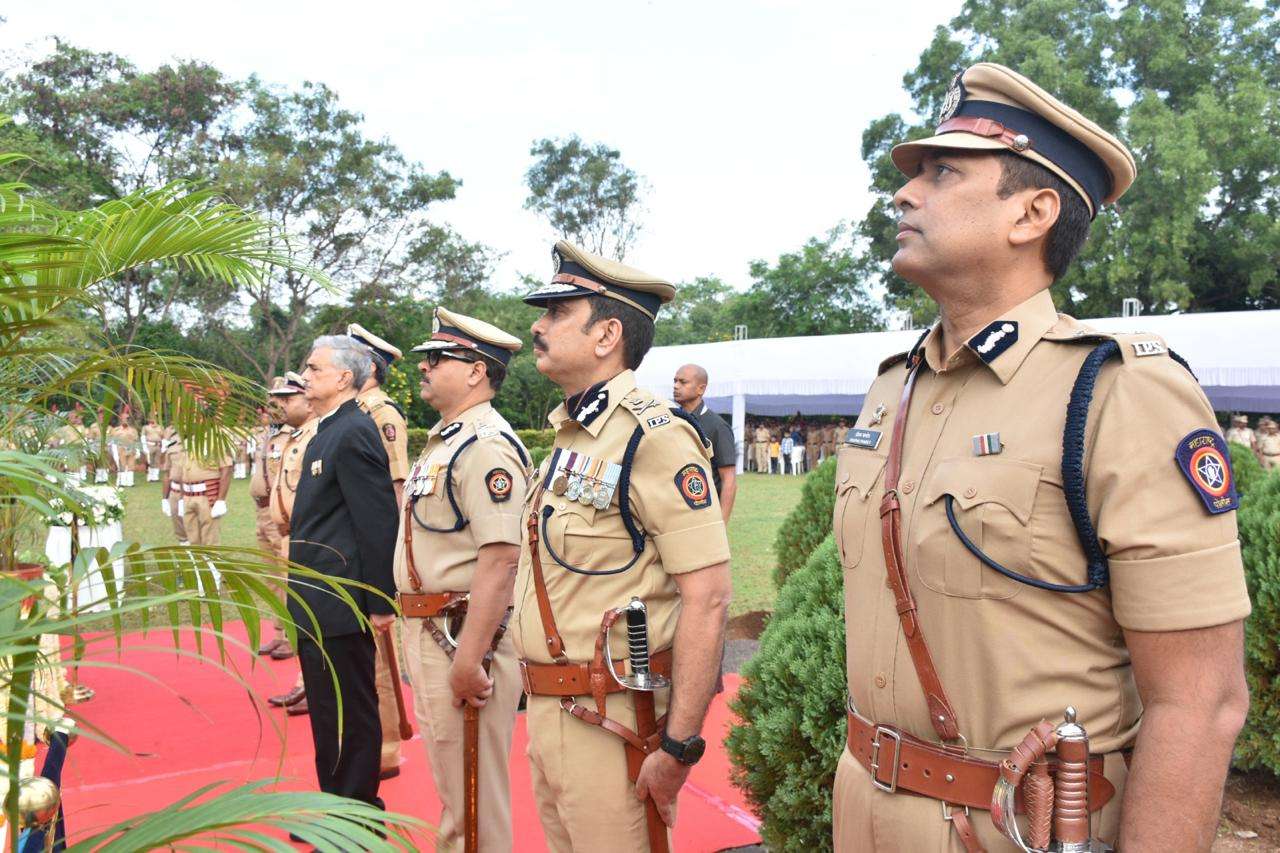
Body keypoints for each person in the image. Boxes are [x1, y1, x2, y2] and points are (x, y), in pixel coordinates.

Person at [832, 63, 1249, 852]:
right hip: (863, 811)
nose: (904, 193)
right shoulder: (894, 389)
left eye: (942, 170)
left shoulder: (1118, 391)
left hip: (1020, 828)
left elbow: (1202, 700)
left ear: (1033, 212)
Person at [514, 241, 733, 851]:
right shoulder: (573, 433)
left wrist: (679, 745)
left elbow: (709, 597)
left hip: (616, 722)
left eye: (557, 312)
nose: (538, 325)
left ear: (607, 334)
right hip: (553, 712)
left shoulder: (653, 437)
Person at [395, 306, 528, 850]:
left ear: (476, 370)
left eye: (437, 358)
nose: (423, 367)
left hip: (460, 638)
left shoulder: (484, 447)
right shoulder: (447, 440)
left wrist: (470, 658)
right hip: (434, 632)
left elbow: (502, 559)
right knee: (456, 792)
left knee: (473, 801)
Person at [290, 335, 399, 811]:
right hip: (316, 599)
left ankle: (356, 809)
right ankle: (333, 806)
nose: (305, 376)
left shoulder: (353, 429)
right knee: (325, 708)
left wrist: (379, 600)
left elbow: (376, 521)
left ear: (342, 377)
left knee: (350, 708)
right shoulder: (327, 427)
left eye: (314, 368)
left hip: (341, 600)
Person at [347, 322, 411, 780]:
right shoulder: (351, 410)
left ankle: (387, 745)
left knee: (379, 654)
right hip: (348, 544)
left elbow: (394, 487)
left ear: (369, 366)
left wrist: (384, 554)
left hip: (372, 544)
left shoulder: (381, 414)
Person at [265, 372, 317, 716]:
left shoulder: (319, 434)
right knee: (298, 610)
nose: (282, 404)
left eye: (289, 398)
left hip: (309, 537)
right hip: (289, 533)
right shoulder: (297, 435)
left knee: (311, 614)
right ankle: (307, 680)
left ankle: (310, 684)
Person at [252, 384, 294, 660]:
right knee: (271, 579)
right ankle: (278, 632)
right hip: (261, 513)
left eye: (281, 399)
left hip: (280, 515)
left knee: (288, 577)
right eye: (272, 400)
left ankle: (292, 637)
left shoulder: (293, 436)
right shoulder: (267, 435)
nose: (274, 405)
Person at [672, 364, 738, 520]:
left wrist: (721, 524)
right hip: (674, 514)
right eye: (674, 381)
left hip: (704, 513)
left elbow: (729, 480)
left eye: (683, 382)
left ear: (701, 389)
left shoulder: (718, 426)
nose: (675, 386)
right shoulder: (671, 420)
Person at [159, 423, 189, 545]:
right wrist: (164, 499)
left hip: (193, 492)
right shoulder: (171, 445)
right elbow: (167, 474)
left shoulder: (198, 444)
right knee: (180, 532)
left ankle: (202, 560)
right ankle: (187, 559)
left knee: (196, 530)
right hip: (175, 492)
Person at [142, 415, 164, 482]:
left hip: (158, 445)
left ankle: (155, 477)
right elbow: (143, 437)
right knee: (150, 461)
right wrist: (144, 446)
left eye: (155, 418)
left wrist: (163, 446)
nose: (153, 420)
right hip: (150, 445)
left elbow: (163, 436)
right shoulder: (146, 427)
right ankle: (150, 477)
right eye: (151, 418)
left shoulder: (160, 427)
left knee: (157, 461)